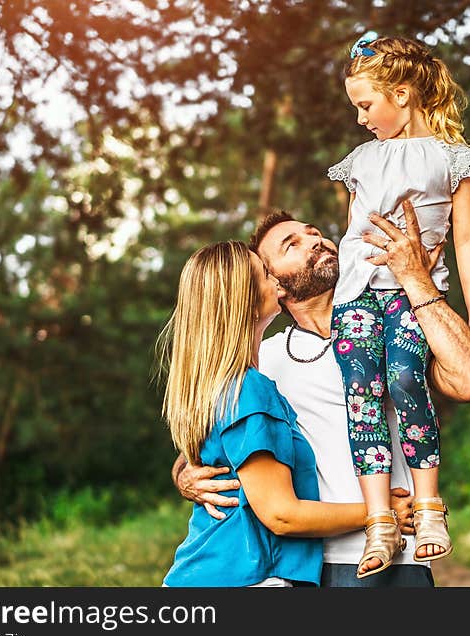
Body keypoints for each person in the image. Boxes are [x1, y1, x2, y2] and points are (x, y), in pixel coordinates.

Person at [172, 202, 470, 587]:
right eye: (291, 244)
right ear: (272, 281)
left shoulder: (393, 332)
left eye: (314, 232)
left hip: (399, 556)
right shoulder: (262, 362)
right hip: (305, 565)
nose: (315, 240)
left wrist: (415, 279)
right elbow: (212, 445)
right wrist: (184, 474)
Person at [324, 31, 470, 577]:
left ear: (402, 93)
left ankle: (428, 505)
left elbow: (467, 239)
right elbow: (352, 235)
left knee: (403, 379)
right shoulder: (359, 160)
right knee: (362, 393)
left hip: (413, 295)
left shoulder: (454, 159)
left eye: (366, 105)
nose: (361, 118)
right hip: (356, 295)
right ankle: (379, 522)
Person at [158, 241, 390, 587]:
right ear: (245, 303)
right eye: (266, 275)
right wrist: (380, 514)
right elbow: (282, 514)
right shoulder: (249, 389)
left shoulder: (220, 387)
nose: (278, 282)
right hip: (242, 578)